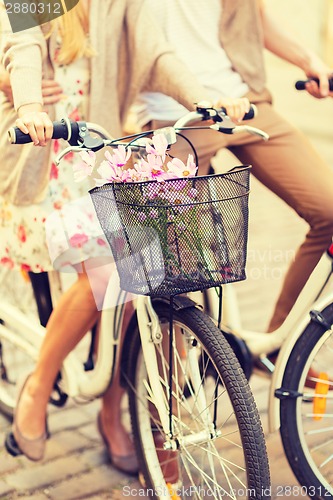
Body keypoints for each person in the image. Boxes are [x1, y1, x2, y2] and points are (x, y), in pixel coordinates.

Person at [0, 0, 250, 467]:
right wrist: (30, 104)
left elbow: (157, 56)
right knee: (107, 269)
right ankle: (38, 383)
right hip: (41, 159)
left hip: (97, 158)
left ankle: (111, 410)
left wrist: (202, 98)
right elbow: (24, 46)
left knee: (144, 273)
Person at [132, 0, 333, 344]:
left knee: (329, 210)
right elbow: (37, 17)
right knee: (172, 269)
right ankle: (176, 382)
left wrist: (308, 60)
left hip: (242, 104)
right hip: (168, 116)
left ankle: (280, 346)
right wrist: (19, 83)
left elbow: (254, 14)